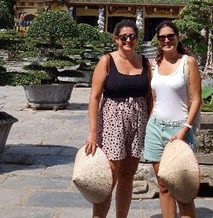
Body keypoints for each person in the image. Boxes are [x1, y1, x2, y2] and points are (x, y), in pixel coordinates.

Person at [86, 20, 152, 218]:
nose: (128, 40)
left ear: (137, 39)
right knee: (108, 177)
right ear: (116, 39)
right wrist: (92, 132)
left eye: (132, 36)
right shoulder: (107, 61)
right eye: (124, 37)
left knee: (128, 176)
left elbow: (149, 96)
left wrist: (151, 124)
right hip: (112, 121)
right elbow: (94, 97)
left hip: (138, 120)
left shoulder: (144, 62)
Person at [144, 20, 201, 218]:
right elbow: (154, 98)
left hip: (179, 130)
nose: (167, 40)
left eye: (170, 36)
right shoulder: (154, 64)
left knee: (183, 189)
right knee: (163, 184)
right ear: (158, 41)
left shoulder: (188, 62)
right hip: (156, 129)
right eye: (162, 37)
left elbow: (196, 99)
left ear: (177, 37)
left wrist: (185, 129)